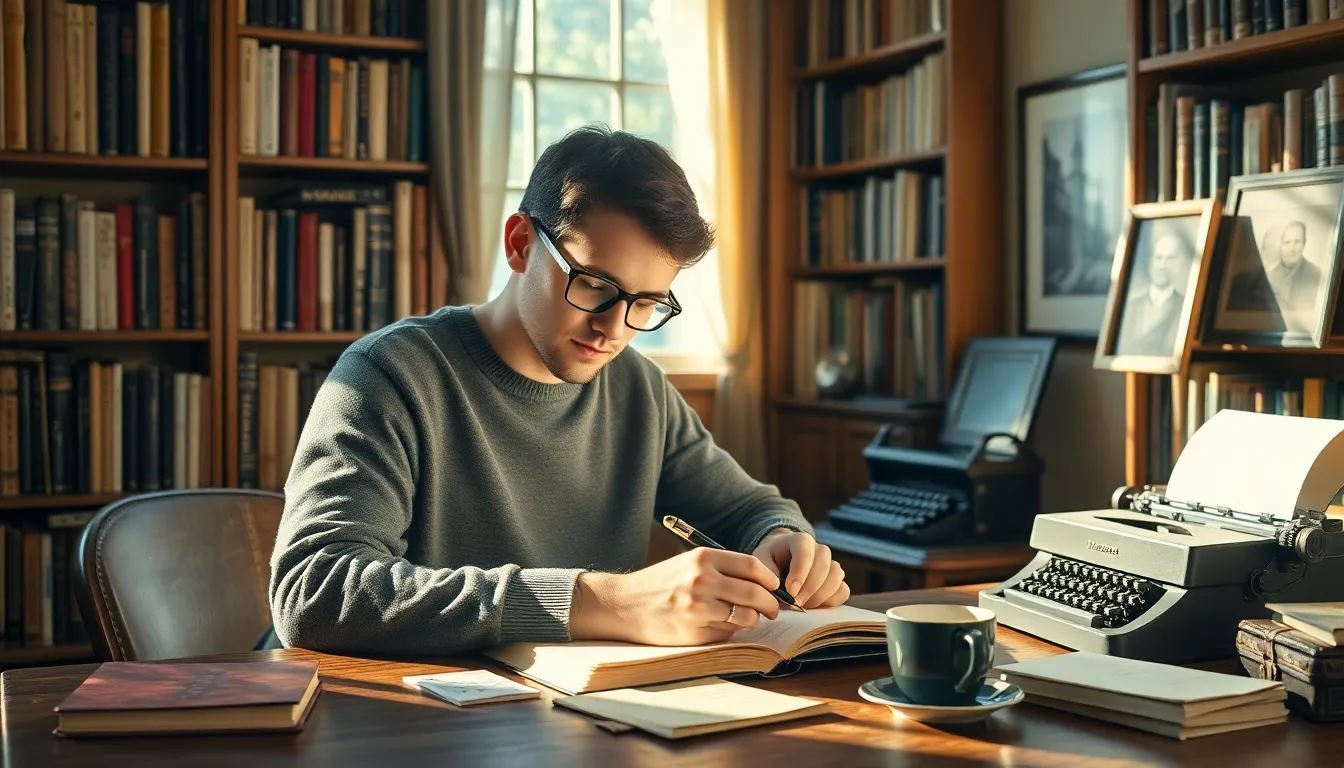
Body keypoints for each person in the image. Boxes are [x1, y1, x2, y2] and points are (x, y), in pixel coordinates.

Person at [267, 125, 850, 658]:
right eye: (596, 286)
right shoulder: (388, 374)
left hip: (563, 716)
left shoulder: (638, 390)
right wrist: (600, 601)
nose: (615, 329)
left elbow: (744, 507)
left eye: (647, 303)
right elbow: (314, 591)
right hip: (389, 719)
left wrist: (783, 539)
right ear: (520, 244)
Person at [1114, 229, 1191, 357]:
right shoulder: (1130, 306)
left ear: (1180, 263)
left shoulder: (1184, 308)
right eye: (1158, 258)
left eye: (1170, 259)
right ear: (1151, 261)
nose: (1162, 265)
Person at [1226, 220, 1320, 314]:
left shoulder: (1315, 274)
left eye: (1297, 242)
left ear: (1304, 243)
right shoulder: (1265, 276)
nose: (1292, 248)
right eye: (1287, 242)